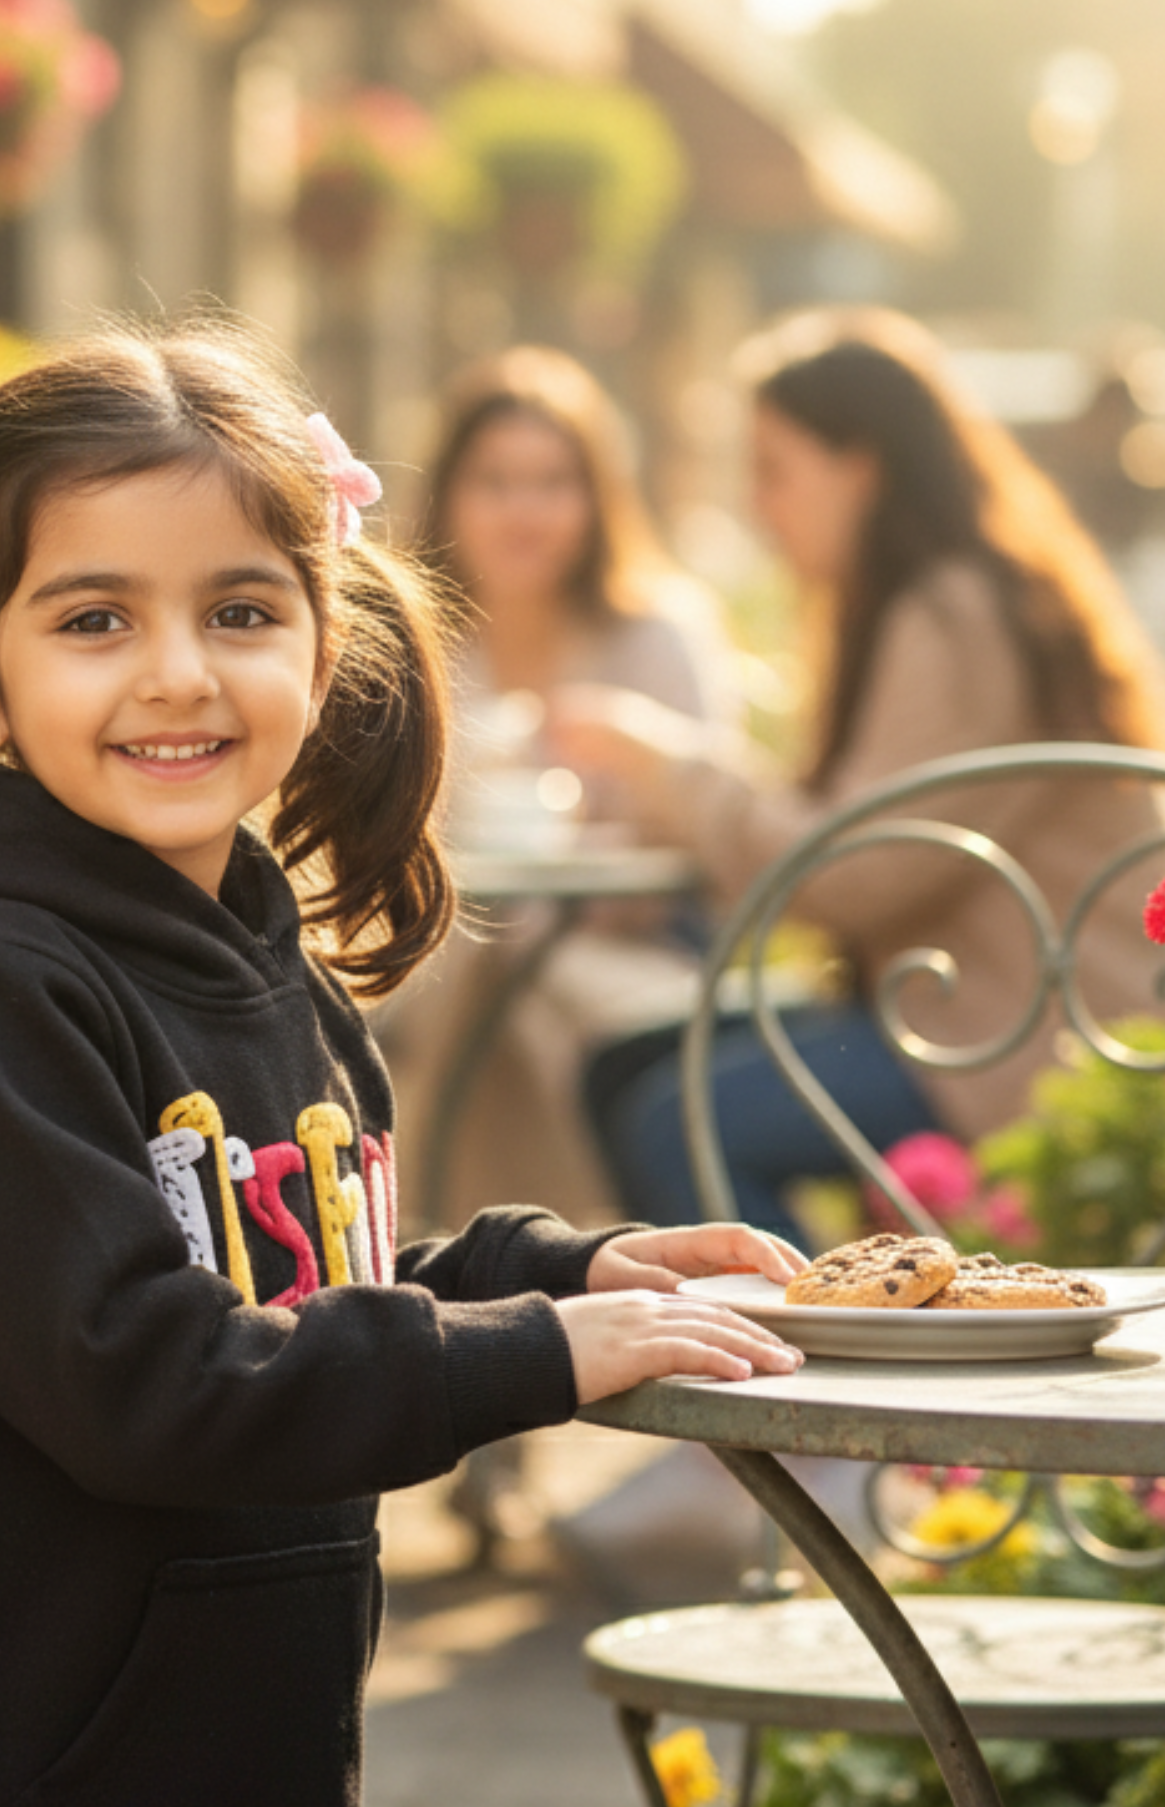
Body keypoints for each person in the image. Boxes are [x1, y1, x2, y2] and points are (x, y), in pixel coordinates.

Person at [0, 319, 806, 1807]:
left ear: (327, 642)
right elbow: (146, 1375)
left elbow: (292, 1283)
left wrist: (559, 1270)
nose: (177, 671)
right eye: (94, 618)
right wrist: (529, 1356)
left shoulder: (247, 938)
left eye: (239, 609)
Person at [559, 306, 1165, 1240]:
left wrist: (674, 771)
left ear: (860, 468)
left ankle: (821, 1359)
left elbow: (858, 873)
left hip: (1045, 1036)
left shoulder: (954, 614)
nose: (757, 503)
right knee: (623, 1070)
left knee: (677, 1123)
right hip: (967, 1010)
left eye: (774, 470)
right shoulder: (946, 594)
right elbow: (860, 835)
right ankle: (813, 1332)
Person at [386, 348, 742, 1560]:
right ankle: (527, 1357)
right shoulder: (419, 645)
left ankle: (491, 1398)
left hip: (640, 960)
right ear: (453, 497)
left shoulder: (656, 634)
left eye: (553, 479)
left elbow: (707, 839)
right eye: (496, 478)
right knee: (489, 996)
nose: (525, 508)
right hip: (474, 958)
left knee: (500, 1013)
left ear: (597, 497)